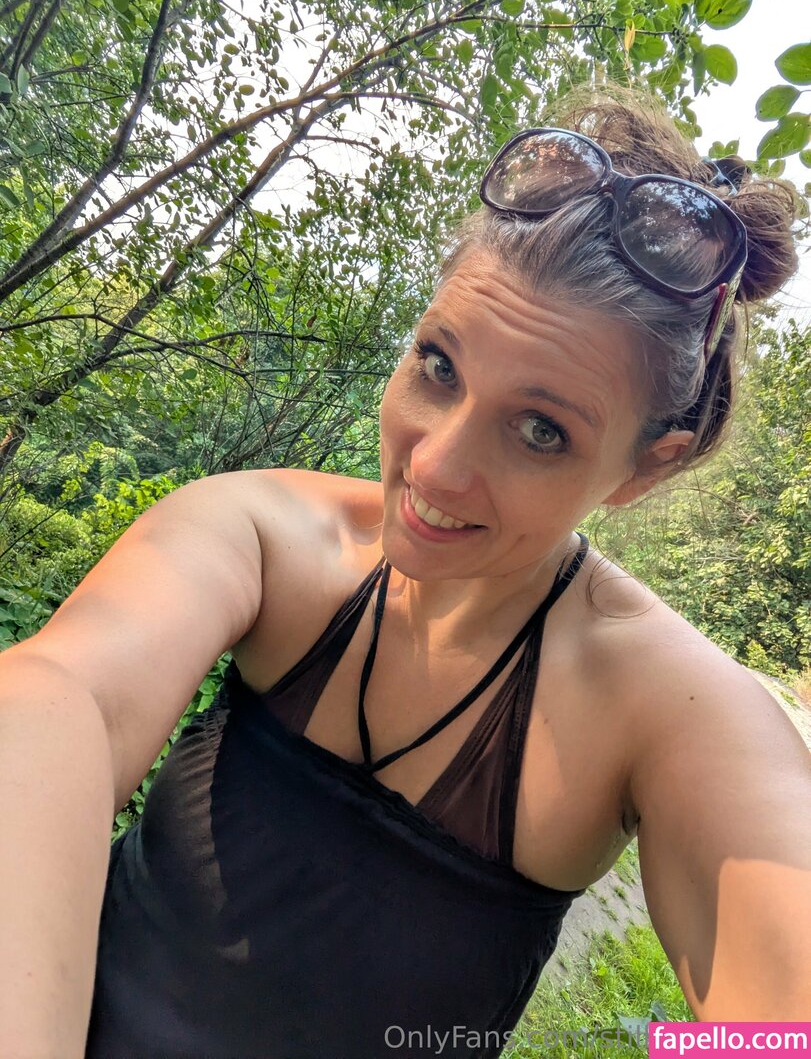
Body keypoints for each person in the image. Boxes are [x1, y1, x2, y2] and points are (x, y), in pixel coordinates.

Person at [1, 87, 809, 1059]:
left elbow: (782, 1022)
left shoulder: (668, 710)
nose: (433, 467)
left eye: (540, 430)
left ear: (645, 469)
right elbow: (61, 701)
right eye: (439, 366)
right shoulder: (266, 535)